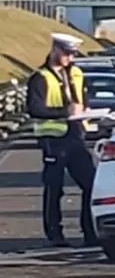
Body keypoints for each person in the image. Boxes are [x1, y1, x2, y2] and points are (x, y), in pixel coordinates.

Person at [26, 33, 97, 247]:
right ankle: (55, 233)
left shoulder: (76, 73)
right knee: (54, 187)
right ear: (54, 49)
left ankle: (90, 232)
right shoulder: (41, 77)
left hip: (75, 135)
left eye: (72, 54)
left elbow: (81, 101)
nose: (69, 58)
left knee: (91, 184)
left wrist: (87, 113)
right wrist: (64, 111)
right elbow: (34, 109)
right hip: (53, 139)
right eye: (66, 53)